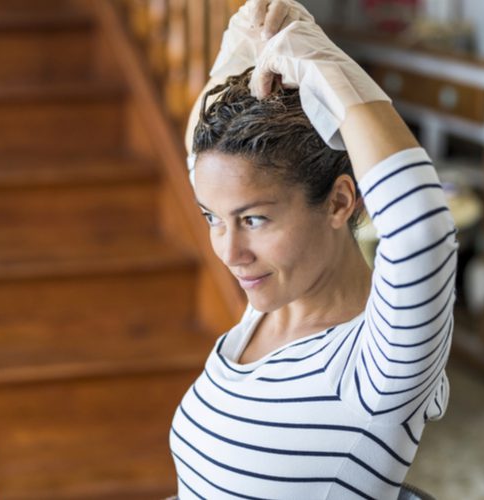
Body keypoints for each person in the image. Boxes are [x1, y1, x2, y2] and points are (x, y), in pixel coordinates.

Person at [169, 1, 457, 498]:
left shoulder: (376, 366)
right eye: (213, 219)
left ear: (340, 202)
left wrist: (327, 65)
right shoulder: (273, 307)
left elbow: (420, 229)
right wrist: (244, 42)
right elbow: (210, 168)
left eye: (254, 220)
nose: (229, 251)